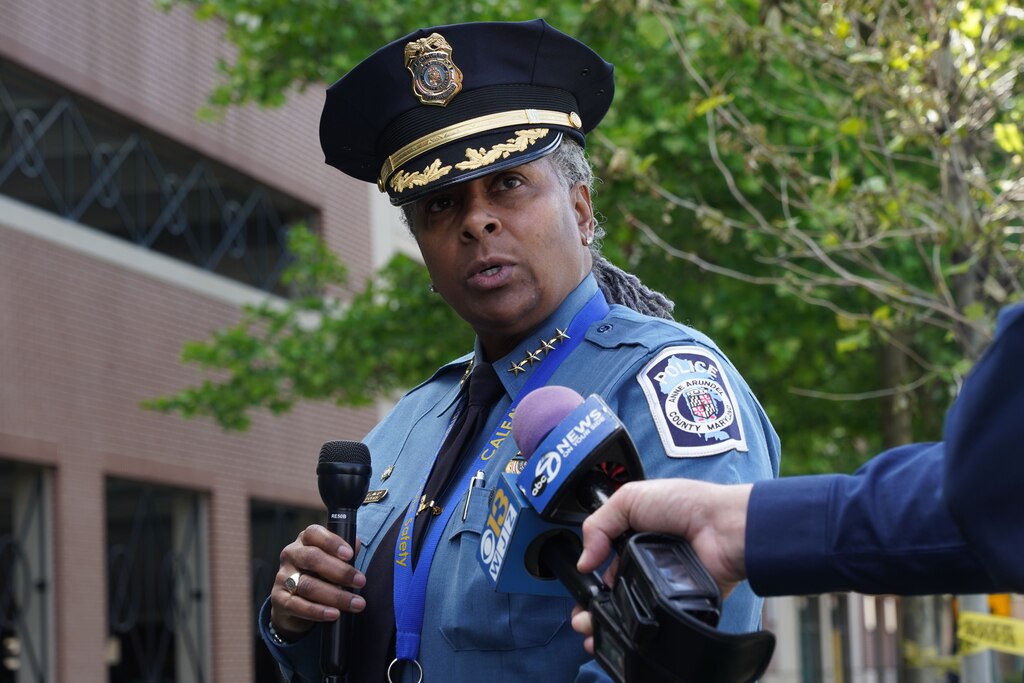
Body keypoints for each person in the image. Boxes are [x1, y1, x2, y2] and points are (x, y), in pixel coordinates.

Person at [257, 19, 781, 682]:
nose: (476, 221)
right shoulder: (410, 421)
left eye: (508, 184)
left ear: (582, 211)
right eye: (441, 205)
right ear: (424, 252)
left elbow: (686, 657)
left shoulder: (664, 384)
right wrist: (296, 621)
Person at [572, 303, 1024, 652]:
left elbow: (991, 487)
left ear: (583, 217)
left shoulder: (659, 362)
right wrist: (740, 526)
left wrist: (746, 525)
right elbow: (996, 492)